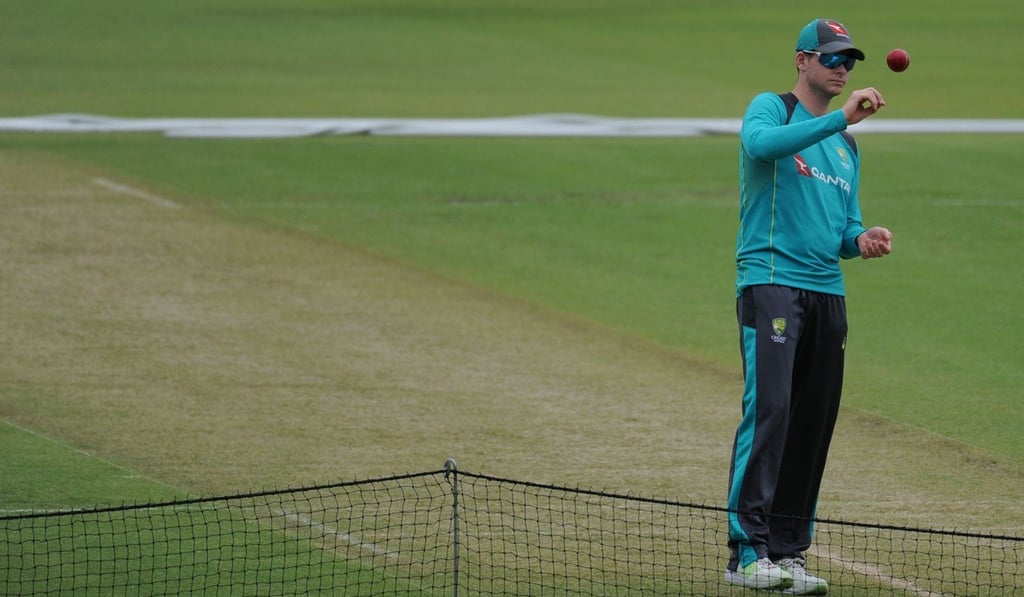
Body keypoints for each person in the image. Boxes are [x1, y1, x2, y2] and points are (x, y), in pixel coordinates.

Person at [725, 18, 893, 594]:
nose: (842, 68)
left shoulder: (845, 147)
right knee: (770, 409)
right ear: (802, 60)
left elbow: (844, 227)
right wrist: (839, 118)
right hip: (771, 280)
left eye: (849, 61)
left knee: (812, 422)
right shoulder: (771, 108)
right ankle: (747, 552)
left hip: (827, 293)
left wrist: (862, 240)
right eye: (831, 58)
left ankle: (788, 552)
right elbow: (759, 146)